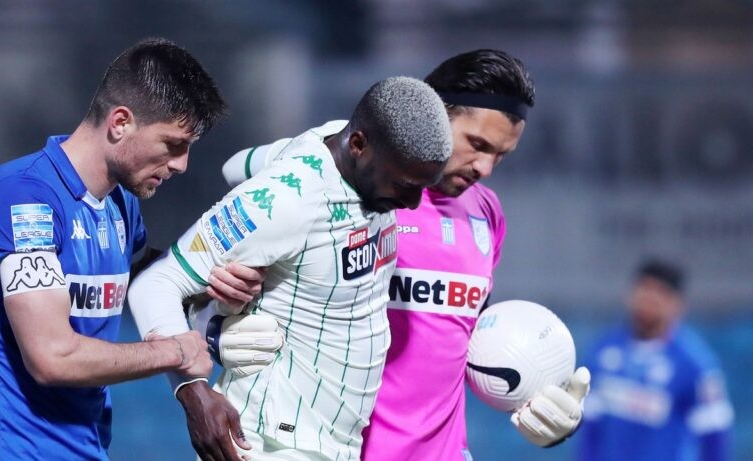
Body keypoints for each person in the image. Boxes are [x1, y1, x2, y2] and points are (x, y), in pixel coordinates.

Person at [217, 50, 590, 460]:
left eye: (500, 155)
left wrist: (542, 406)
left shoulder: (487, 212)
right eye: (477, 144)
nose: (485, 168)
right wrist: (214, 329)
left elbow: (459, 339)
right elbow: (235, 170)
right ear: (434, 115)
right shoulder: (349, 186)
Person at [127, 76, 453, 460]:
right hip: (271, 443)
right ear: (358, 145)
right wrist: (193, 391)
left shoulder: (337, 139)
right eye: (405, 185)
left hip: (332, 444)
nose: (413, 203)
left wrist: (255, 259)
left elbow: (236, 167)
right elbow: (155, 284)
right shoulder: (290, 199)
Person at [0, 38, 256, 460]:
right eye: (172, 144)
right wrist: (177, 351)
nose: (181, 164)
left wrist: (212, 285)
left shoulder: (120, 201)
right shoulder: (25, 198)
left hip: (88, 448)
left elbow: (143, 273)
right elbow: (51, 357)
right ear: (120, 123)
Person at [578, 259, 734, 461]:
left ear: (678, 305)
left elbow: (715, 437)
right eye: (644, 290)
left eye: (660, 293)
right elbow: (589, 428)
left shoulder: (695, 364)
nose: (649, 301)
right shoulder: (602, 351)